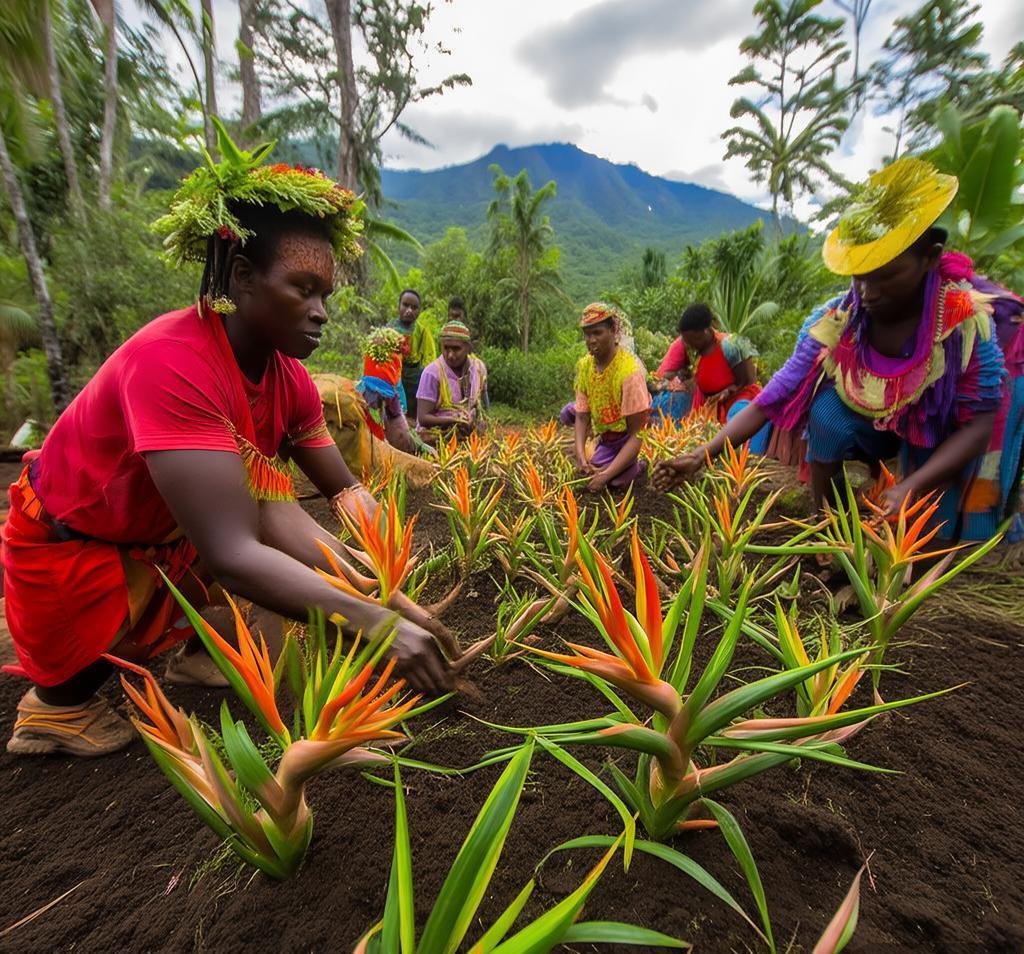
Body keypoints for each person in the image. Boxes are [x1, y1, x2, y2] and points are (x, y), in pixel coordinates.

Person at [0, 125, 450, 758]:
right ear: (241, 276)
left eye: (325, 293)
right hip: (74, 556)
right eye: (302, 288)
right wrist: (376, 625)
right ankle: (54, 706)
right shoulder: (174, 362)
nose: (321, 310)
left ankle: (194, 652)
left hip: (161, 539)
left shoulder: (287, 378)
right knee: (244, 555)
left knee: (270, 553)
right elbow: (235, 550)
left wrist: (392, 591)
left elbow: (326, 497)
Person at [654, 157, 1024, 543]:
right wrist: (701, 455)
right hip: (870, 424)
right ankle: (828, 522)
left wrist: (909, 487)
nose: (867, 292)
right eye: (859, 277)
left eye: (885, 276)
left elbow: (979, 424)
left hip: (934, 428)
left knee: (933, 531)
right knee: (826, 414)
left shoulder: (962, 324)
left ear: (929, 259)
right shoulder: (840, 318)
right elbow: (771, 398)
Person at [312, 327, 437, 489]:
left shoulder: (387, 396)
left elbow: (401, 432)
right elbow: (387, 438)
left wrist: (420, 447)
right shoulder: (355, 403)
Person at [571, 302, 651, 492]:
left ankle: (638, 466)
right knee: (590, 472)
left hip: (628, 439)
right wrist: (581, 456)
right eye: (587, 334)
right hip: (607, 439)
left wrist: (606, 475)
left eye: (597, 333)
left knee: (615, 483)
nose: (591, 340)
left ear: (613, 331)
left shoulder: (628, 372)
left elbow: (637, 434)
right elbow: (581, 416)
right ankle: (616, 465)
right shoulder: (585, 367)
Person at [416, 320, 489, 444]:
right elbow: (423, 418)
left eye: (456, 349)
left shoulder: (478, 369)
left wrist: (481, 425)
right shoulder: (432, 373)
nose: (450, 355)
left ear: (468, 348)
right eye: (446, 348)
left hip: (468, 437)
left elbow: (484, 406)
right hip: (435, 439)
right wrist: (454, 422)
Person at [385, 289, 436, 419]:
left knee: (413, 405)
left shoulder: (422, 331)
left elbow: (430, 355)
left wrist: (425, 375)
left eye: (414, 307)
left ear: (419, 311)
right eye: (405, 305)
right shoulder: (389, 328)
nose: (409, 310)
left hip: (414, 375)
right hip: (393, 371)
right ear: (399, 306)